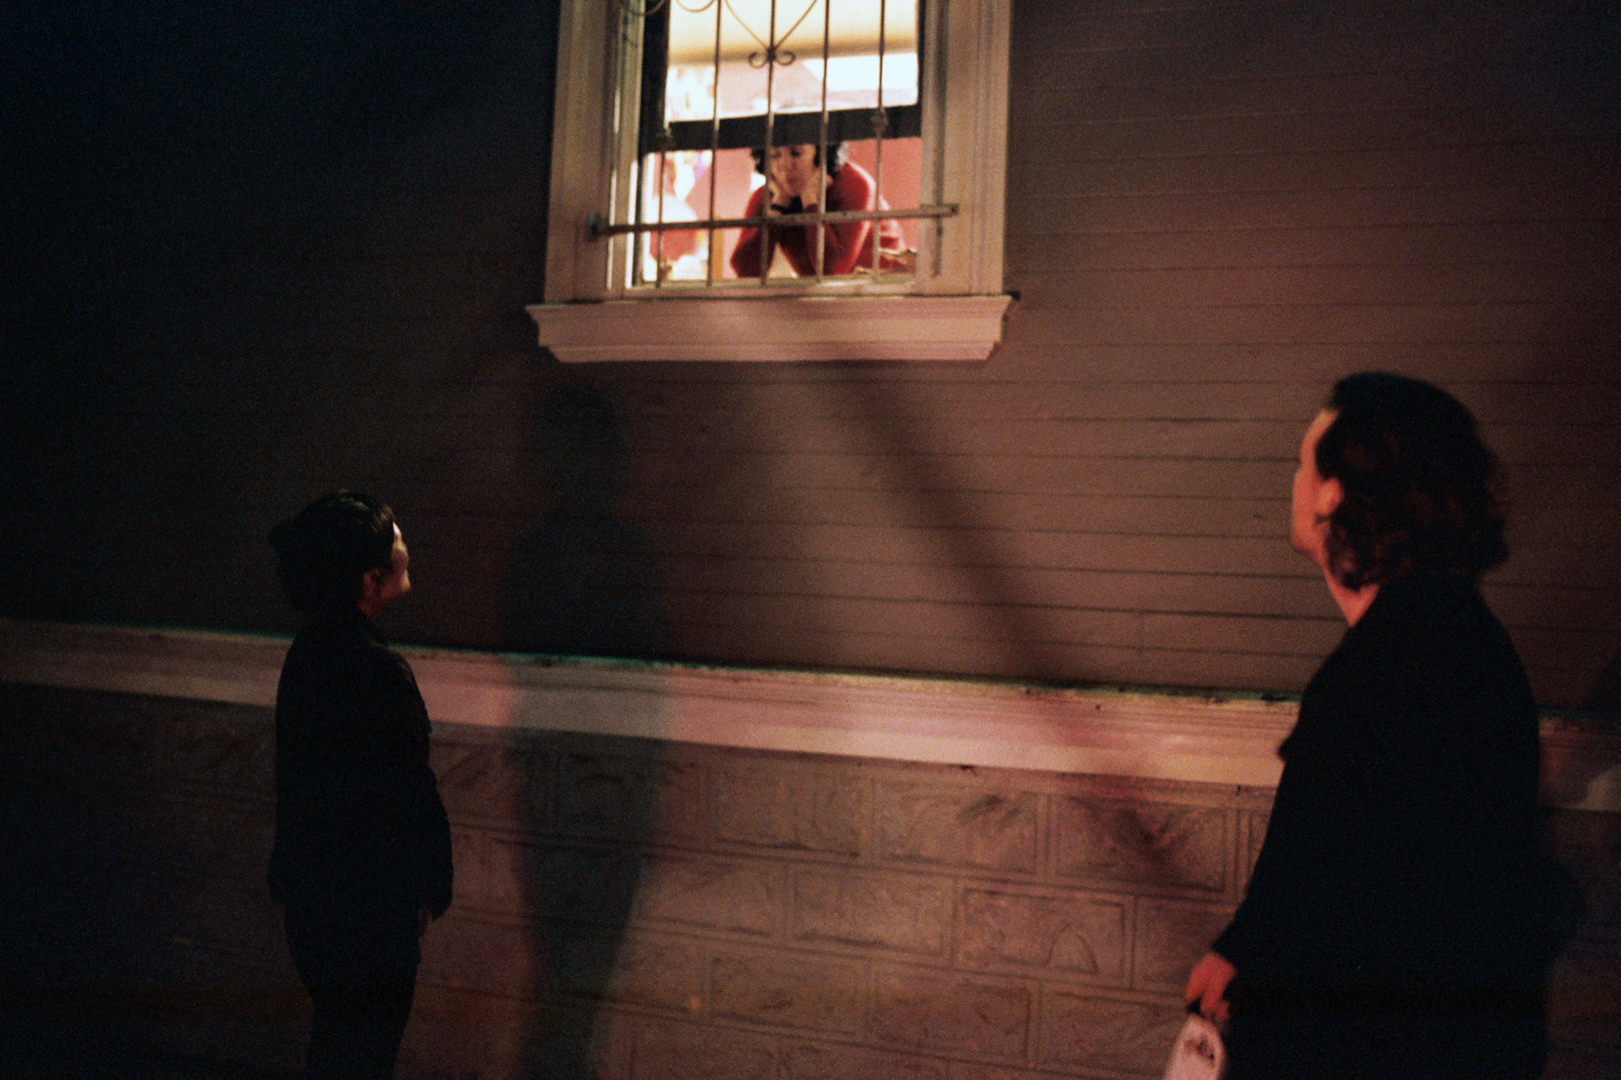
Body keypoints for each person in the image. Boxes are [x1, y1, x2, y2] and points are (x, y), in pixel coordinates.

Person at [1183, 373, 1581, 1079]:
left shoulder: (1385, 673)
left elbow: (1348, 899)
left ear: (1333, 495)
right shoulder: (1458, 640)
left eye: (1302, 467)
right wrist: (1243, 944)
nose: (1296, 484)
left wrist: (1258, 969)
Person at [267, 492, 453, 1080]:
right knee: (362, 1055)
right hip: (369, 912)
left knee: (337, 1047)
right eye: (394, 535)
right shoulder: (376, 670)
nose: (406, 539)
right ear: (371, 580)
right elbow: (404, 794)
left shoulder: (307, 654)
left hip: (317, 901)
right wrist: (421, 890)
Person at [729, 141, 909, 278]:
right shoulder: (771, 195)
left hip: (888, 287)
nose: (784, 165)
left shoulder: (855, 184)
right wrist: (777, 207)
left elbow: (833, 270)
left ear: (822, 155)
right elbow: (745, 271)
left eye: (796, 153)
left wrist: (810, 201)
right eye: (775, 155)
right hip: (830, 297)